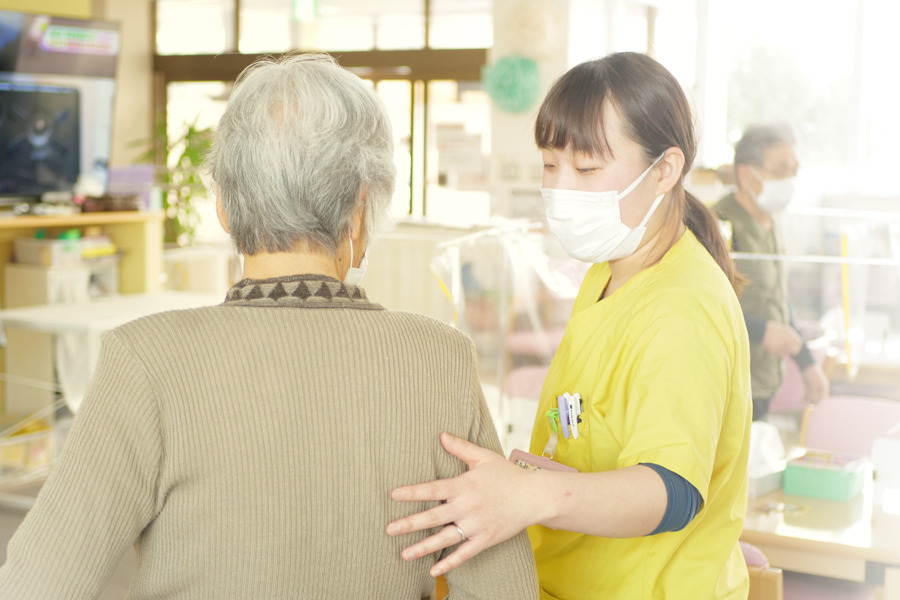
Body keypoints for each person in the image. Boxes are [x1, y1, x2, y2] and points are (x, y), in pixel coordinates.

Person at [0, 53, 538, 599]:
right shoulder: (439, 359)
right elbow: (504, 590)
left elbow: (36, 585)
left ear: (224, 210)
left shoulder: (144, 360)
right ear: (360, 210)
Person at [386, 52, 753, 599]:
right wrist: (530, 478)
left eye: (586, 168)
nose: (560, 188)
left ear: (666, 171)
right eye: (550, 165)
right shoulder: (610, 271)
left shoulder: (684, 306)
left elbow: (672, 492)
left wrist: (531, 497)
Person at [713, 124, 829, 421]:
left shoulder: (771, 223)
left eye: (793, 170)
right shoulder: (720, 223)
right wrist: (762, 332)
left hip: (763, 385)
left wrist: (806, 363)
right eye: (779, 170)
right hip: (726, 385)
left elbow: (777, 296)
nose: (788, 180)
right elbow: (706, 304)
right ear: (745, 173)